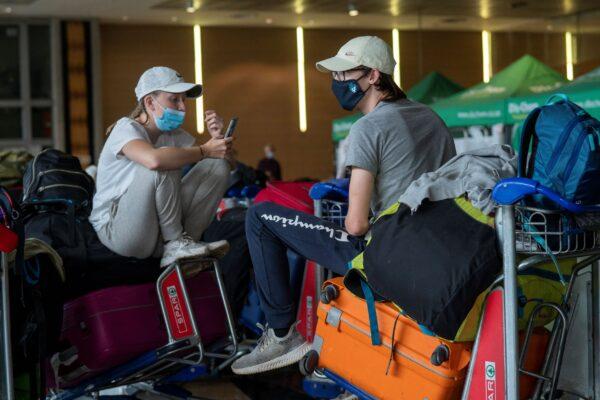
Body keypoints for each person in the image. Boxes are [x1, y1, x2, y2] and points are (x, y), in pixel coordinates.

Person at [231, 36, 456, 375]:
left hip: (389, 258)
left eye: (344, 75)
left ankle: (281, 334)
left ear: (374, 76)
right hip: (436, 254)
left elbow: (356, 226)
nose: (336, 83)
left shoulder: (367, 128)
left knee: (260, 217)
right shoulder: (430, 118)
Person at [90, 66, 234, 268]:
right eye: (174, 99)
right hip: (119, 231)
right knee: (164, 159)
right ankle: (175, 243)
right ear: (150, 102)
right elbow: (154, 160)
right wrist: (204, 150)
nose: (183, 107)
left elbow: (226, 164)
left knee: (217, 167)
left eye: (184, 99)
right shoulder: (126, 128)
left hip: (154, 233)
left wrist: (218, 140)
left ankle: (184, 245)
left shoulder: (173, 135)